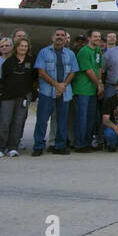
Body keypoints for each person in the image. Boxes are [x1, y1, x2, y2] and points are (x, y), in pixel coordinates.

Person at [33, 28, 79, 156]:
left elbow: (73, 71)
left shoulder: (70, 54)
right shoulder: (44, 52)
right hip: (47, 92)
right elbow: (41, 72)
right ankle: (38, 146)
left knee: (62, 120)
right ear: (52, 37)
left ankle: (60, 145)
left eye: (62, 35)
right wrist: (56, 85)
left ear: (65, 38)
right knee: (42, 120)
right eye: (57, 35)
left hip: (65, 91)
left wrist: (63, 85)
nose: (60, 37)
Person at [0, 37, 35, 157]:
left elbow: (34, 77)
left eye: (25, 46)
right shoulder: (9, 61)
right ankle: (0, 148)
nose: (23, 48)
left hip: (23, 96)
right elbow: (1, 78)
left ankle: (13, 147)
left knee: (18, 122)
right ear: (16, 47)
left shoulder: (31, 61)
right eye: (21, 46)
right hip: (8, 96)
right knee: (5, 122)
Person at [73, 30, 104, 153]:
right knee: (82, 118)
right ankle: (80, 144)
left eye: (99, 37)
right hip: (82, 90)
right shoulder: (84, 51)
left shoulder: (98, 51)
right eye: (95, 37)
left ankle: (87, 141)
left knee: (91, 118)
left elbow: (99, 67)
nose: (97, 39)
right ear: (89, 38)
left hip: (93, 90)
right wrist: (99, 85)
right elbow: (89, 71)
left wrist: (100, 83)